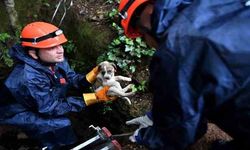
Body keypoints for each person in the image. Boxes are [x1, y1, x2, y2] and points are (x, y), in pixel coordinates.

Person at [118, 0, 250, 149]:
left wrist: (144, 136)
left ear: (148, 10)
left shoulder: (174, 52)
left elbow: (178, 134)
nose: (146, 42)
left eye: (142, 34)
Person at [0, 21, 116, 150]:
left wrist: (93, 75)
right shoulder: (28, 78)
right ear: (33, 53)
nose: (60, 50)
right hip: (15, 112)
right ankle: (57, 146)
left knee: (63, 112)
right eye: (51, 47)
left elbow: (70, 78)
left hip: (40, 101)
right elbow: (49, 108)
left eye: (60, 45)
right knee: (61, 124)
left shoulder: (53, 59)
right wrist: (94, 97)